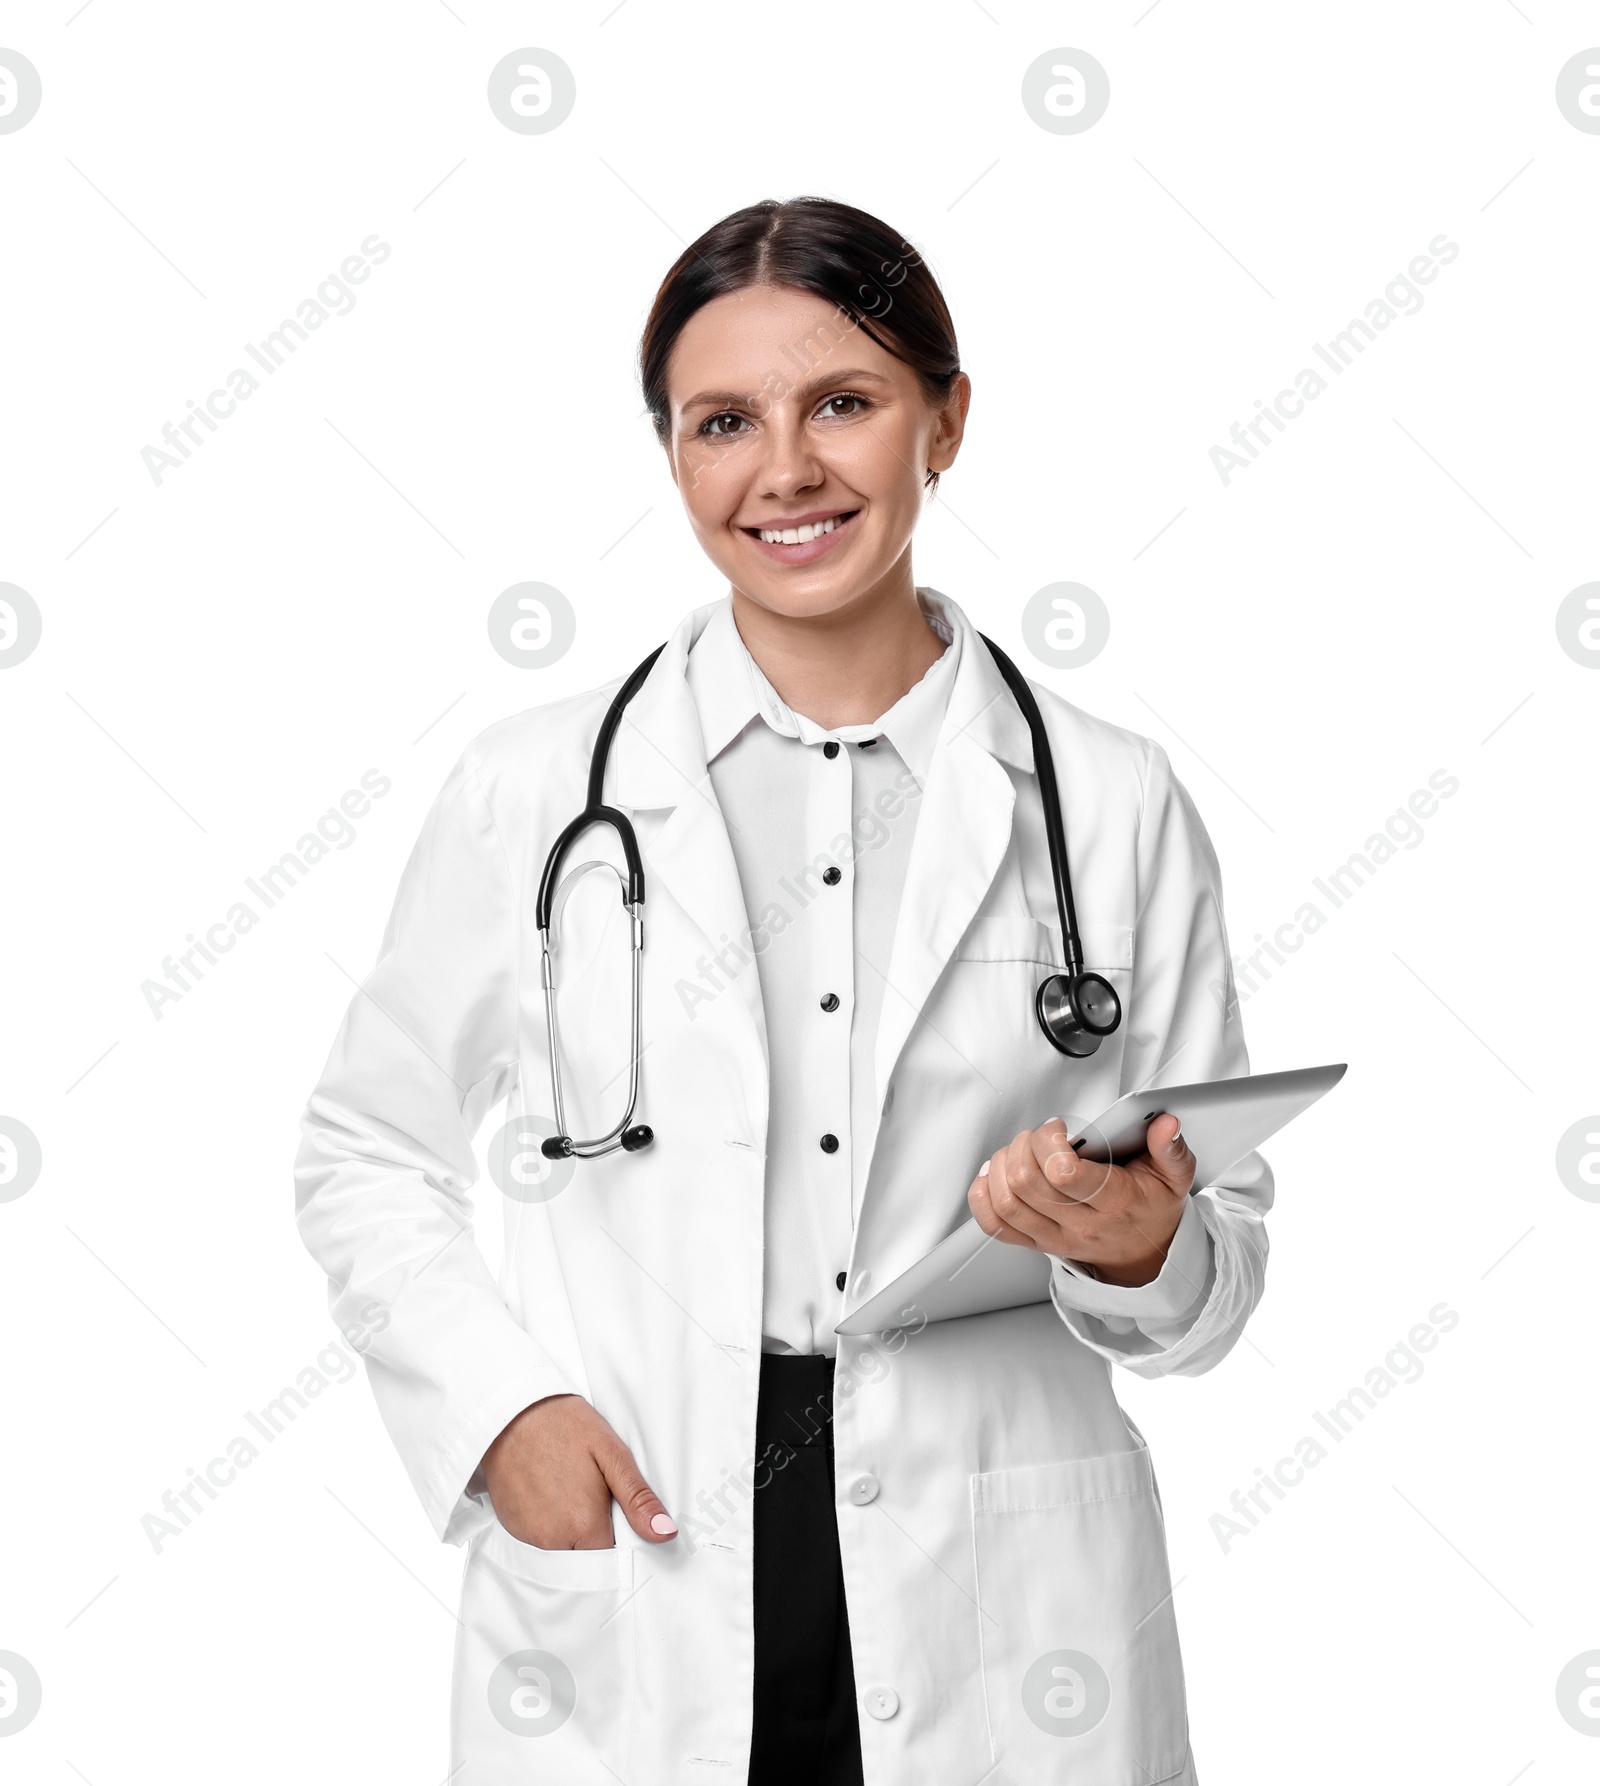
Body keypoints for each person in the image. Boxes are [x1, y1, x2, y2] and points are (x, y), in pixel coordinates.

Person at [295, 195, 1271, 1786]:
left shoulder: (1107, 797)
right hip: (646, 1524)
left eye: (845, 403)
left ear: (946, 419)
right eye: (723, 421)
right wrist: (500, 1411)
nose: (786, 470)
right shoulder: (534, 789)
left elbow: (1214, 1287)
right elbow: (362, 1147)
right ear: (673, 453)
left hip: (1002, 1575)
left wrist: (1146, 1245)